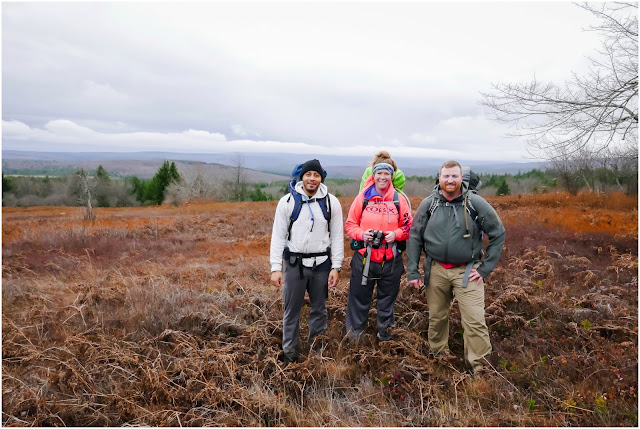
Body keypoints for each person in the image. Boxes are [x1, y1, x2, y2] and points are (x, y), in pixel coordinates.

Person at [406, 160, 506, 375]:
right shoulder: (429, 204)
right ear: (439, 178)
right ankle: (439, 358)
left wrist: (485, 268)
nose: (450, 180)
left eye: (454, 176)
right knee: (437, 318)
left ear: (461, 178)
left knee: (474, 320)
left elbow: (498, 233)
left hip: (468, 270)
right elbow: (414, 236)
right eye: (446, 176)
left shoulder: (475, 203)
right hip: (436, 270)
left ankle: (480, 368)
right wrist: (413, 270)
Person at [269, 159, 344, 363]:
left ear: (321, 178)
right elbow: (278, 236)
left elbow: (337, 236)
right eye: (308, 174)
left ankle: (316, 353)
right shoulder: (287, 202)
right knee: (291, 310)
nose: (312, 179)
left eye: (316, 175)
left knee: (319, 309)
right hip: (294, 265)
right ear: (302, 177)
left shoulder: (331, 202)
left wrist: (336, 266)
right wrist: (276, 268)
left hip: (322, 265)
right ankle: (290, 354)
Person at [345, 154, 413, 342]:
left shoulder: (400, 200)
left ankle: (386, 339)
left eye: (386, 173)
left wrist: (396, 235)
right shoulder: (362, 198)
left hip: (390, 259)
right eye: (379, 173)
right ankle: (354, 340)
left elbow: (408, 226)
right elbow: (350, 225)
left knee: (387, 301)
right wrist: (362, 235)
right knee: (359, 299)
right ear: (373, 175)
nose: (382, 177)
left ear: (392, 176)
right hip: (364, 257)